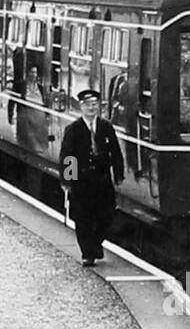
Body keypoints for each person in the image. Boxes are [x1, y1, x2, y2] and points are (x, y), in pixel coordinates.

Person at [58, 88, 124, 266]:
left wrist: (118, 175)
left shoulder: (106, 127)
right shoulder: (73, 129)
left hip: (102, 180)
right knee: (83, 218)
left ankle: (96, 244)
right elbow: (67, 156)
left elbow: (115, 152)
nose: (91, 108)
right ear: (81, 107)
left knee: (106, 216)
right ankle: (88, 253)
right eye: (88, 105)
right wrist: (67, 181)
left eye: (94, 105)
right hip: (82, 181)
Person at [10, 63, 48, 152]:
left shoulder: (40, 87)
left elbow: (45, 103)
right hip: (26, 114)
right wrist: (10, 114)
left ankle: (38, 149)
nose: (34, 75)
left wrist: (47, 114)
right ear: (28, 73)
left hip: (38, 115)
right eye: (32, 72)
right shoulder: (20, 85)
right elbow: (12, 100)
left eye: (35, 72)